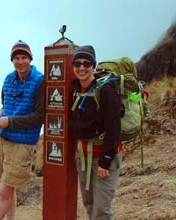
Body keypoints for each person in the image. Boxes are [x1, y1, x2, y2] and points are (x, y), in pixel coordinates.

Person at [0, 40, 44, 220]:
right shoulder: (8, 79)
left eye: (24, 58)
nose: (20, 62)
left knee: (4, 191)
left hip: (22, 143)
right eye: (16, 58)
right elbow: (5, 106)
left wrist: (9, 122)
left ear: (30, 59)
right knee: (8, 189)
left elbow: (39, 116)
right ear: (12, 61)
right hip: (4, 140)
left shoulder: (40, 81)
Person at [70, 46, 122, 220]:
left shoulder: (105, 90)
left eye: (87, 63)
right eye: (77, 63)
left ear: (93, 66)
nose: (82, 68)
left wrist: (106, 160)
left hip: (102, 158)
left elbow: (114, 128)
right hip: (82, 157)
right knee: (90, 205)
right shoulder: (77, 89)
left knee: (102, 211)